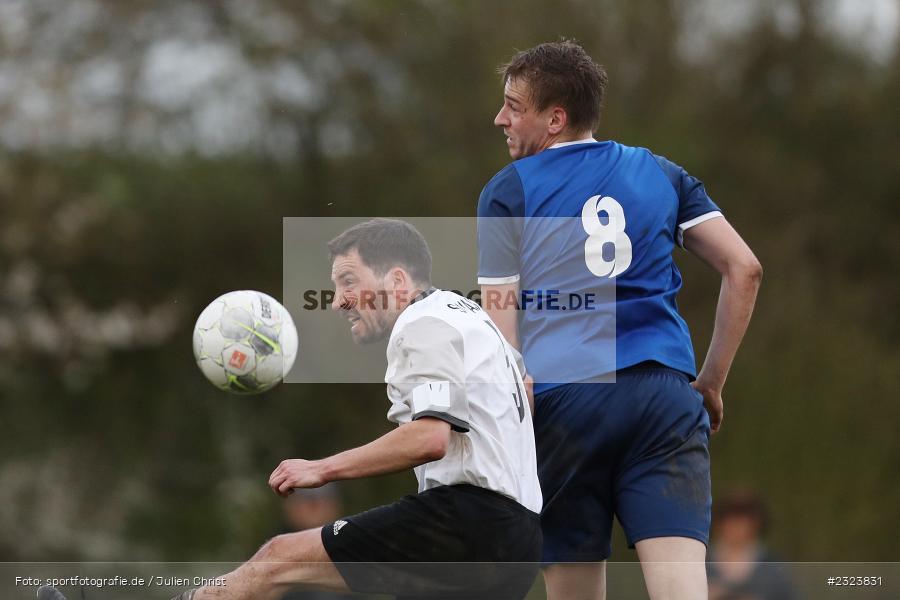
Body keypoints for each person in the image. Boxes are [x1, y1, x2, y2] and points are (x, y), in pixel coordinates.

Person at [41, 218, 542, 600]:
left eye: (348, 280)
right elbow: (525, 391)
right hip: (517, 541)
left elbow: (431, 436)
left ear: (395, 279)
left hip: (468, 522)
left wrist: (322, 468)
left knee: (280, 556)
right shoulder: (471, 318)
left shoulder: (422, 324)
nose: (339, 300)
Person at [477, 41, 763, 600]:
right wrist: (710, 383)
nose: (500, 118)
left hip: (566, 404)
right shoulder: (661, 173)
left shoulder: (508, 191)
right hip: (665, 398)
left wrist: (514, 406)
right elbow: (744, 268)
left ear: (554, 119)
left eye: (513, 106)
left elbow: (499, 320)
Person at [707, 489, 797, 600]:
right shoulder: (701, 561)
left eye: (743, 520)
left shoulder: (773, 567)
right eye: (731, 519)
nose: (736, 526)